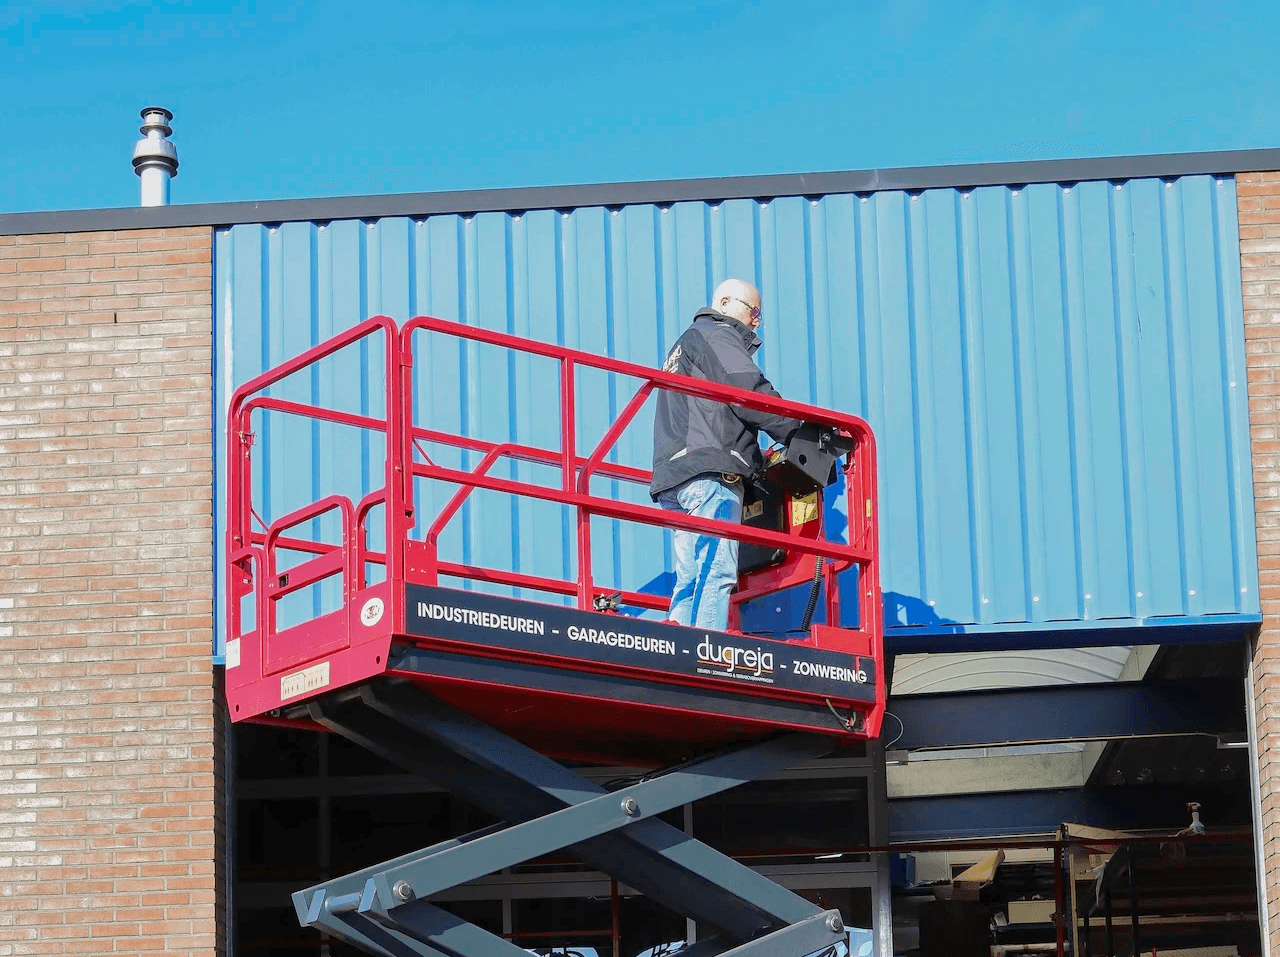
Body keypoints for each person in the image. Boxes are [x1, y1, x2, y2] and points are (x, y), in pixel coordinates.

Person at [650, 279, 802, 631]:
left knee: (691, 572)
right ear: (726, 302)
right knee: (716, 568)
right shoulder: (715, 333)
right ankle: (704, 649)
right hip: (709, 473)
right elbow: (748, 390)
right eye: (754, 312)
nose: (756, 322)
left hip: (677, 474)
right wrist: (799, 430)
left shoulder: (683, 345)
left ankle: (681, 642)